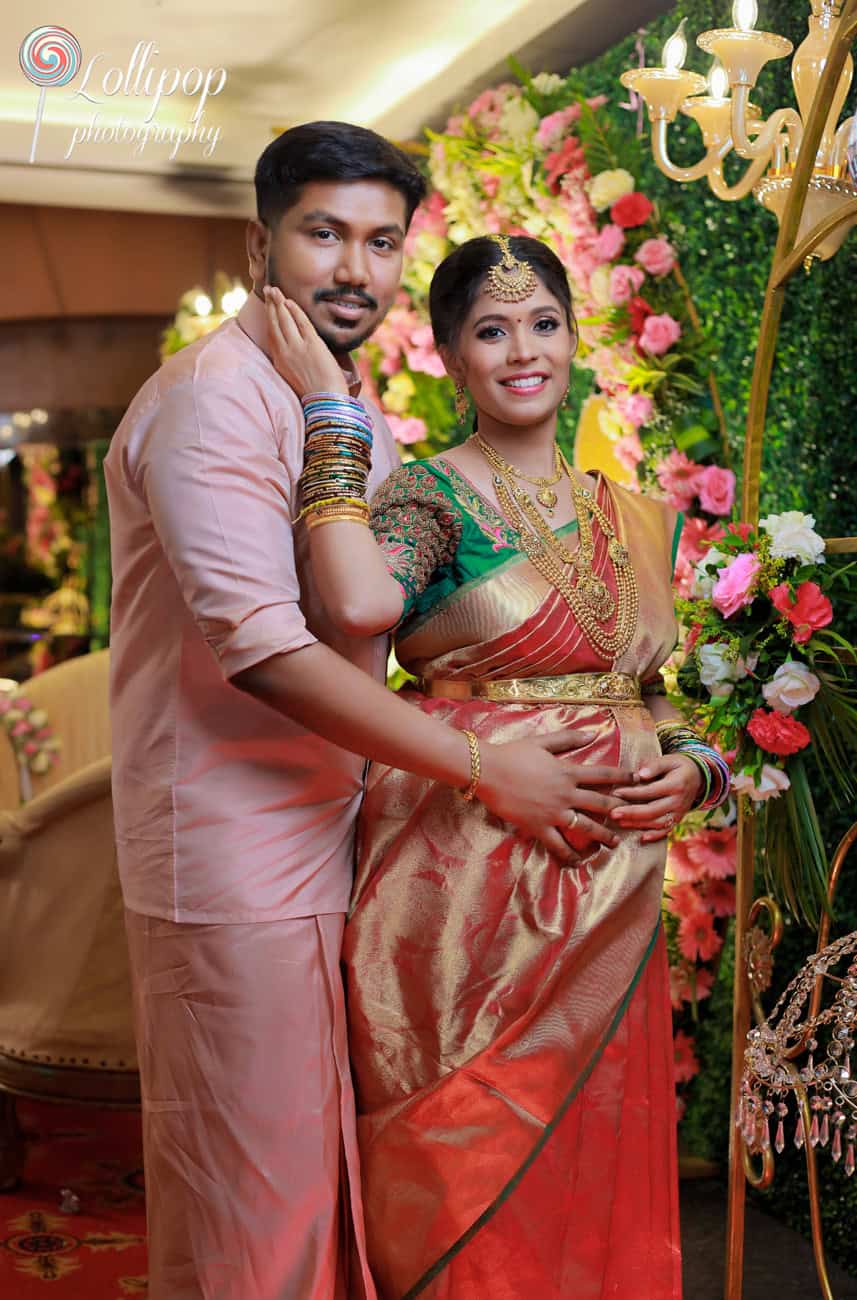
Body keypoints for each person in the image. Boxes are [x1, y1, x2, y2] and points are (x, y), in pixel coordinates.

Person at [105, 126, 631, 1300]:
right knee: (261, 1196)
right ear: (261, 245)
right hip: (231, 851)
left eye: (380, 240)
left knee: (305, 1184)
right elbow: (267, 656)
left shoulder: (341, 407)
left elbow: (368, 625)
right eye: (323, 233)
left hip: (332, 835)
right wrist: (481, 769)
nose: (353, 267)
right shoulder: (212, 403)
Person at [266, 233, 730, 1299]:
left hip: (606, 883)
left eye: (542, 323)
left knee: (592, 1145)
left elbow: (652, 693)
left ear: (574, 339)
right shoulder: (426, 505)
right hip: (460, 890)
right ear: (448, 354)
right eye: (489, 329)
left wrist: (694, 765)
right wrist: (331, 441)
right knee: (468, 1162)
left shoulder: (633, 517)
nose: (521, 350)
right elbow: (348, 611)